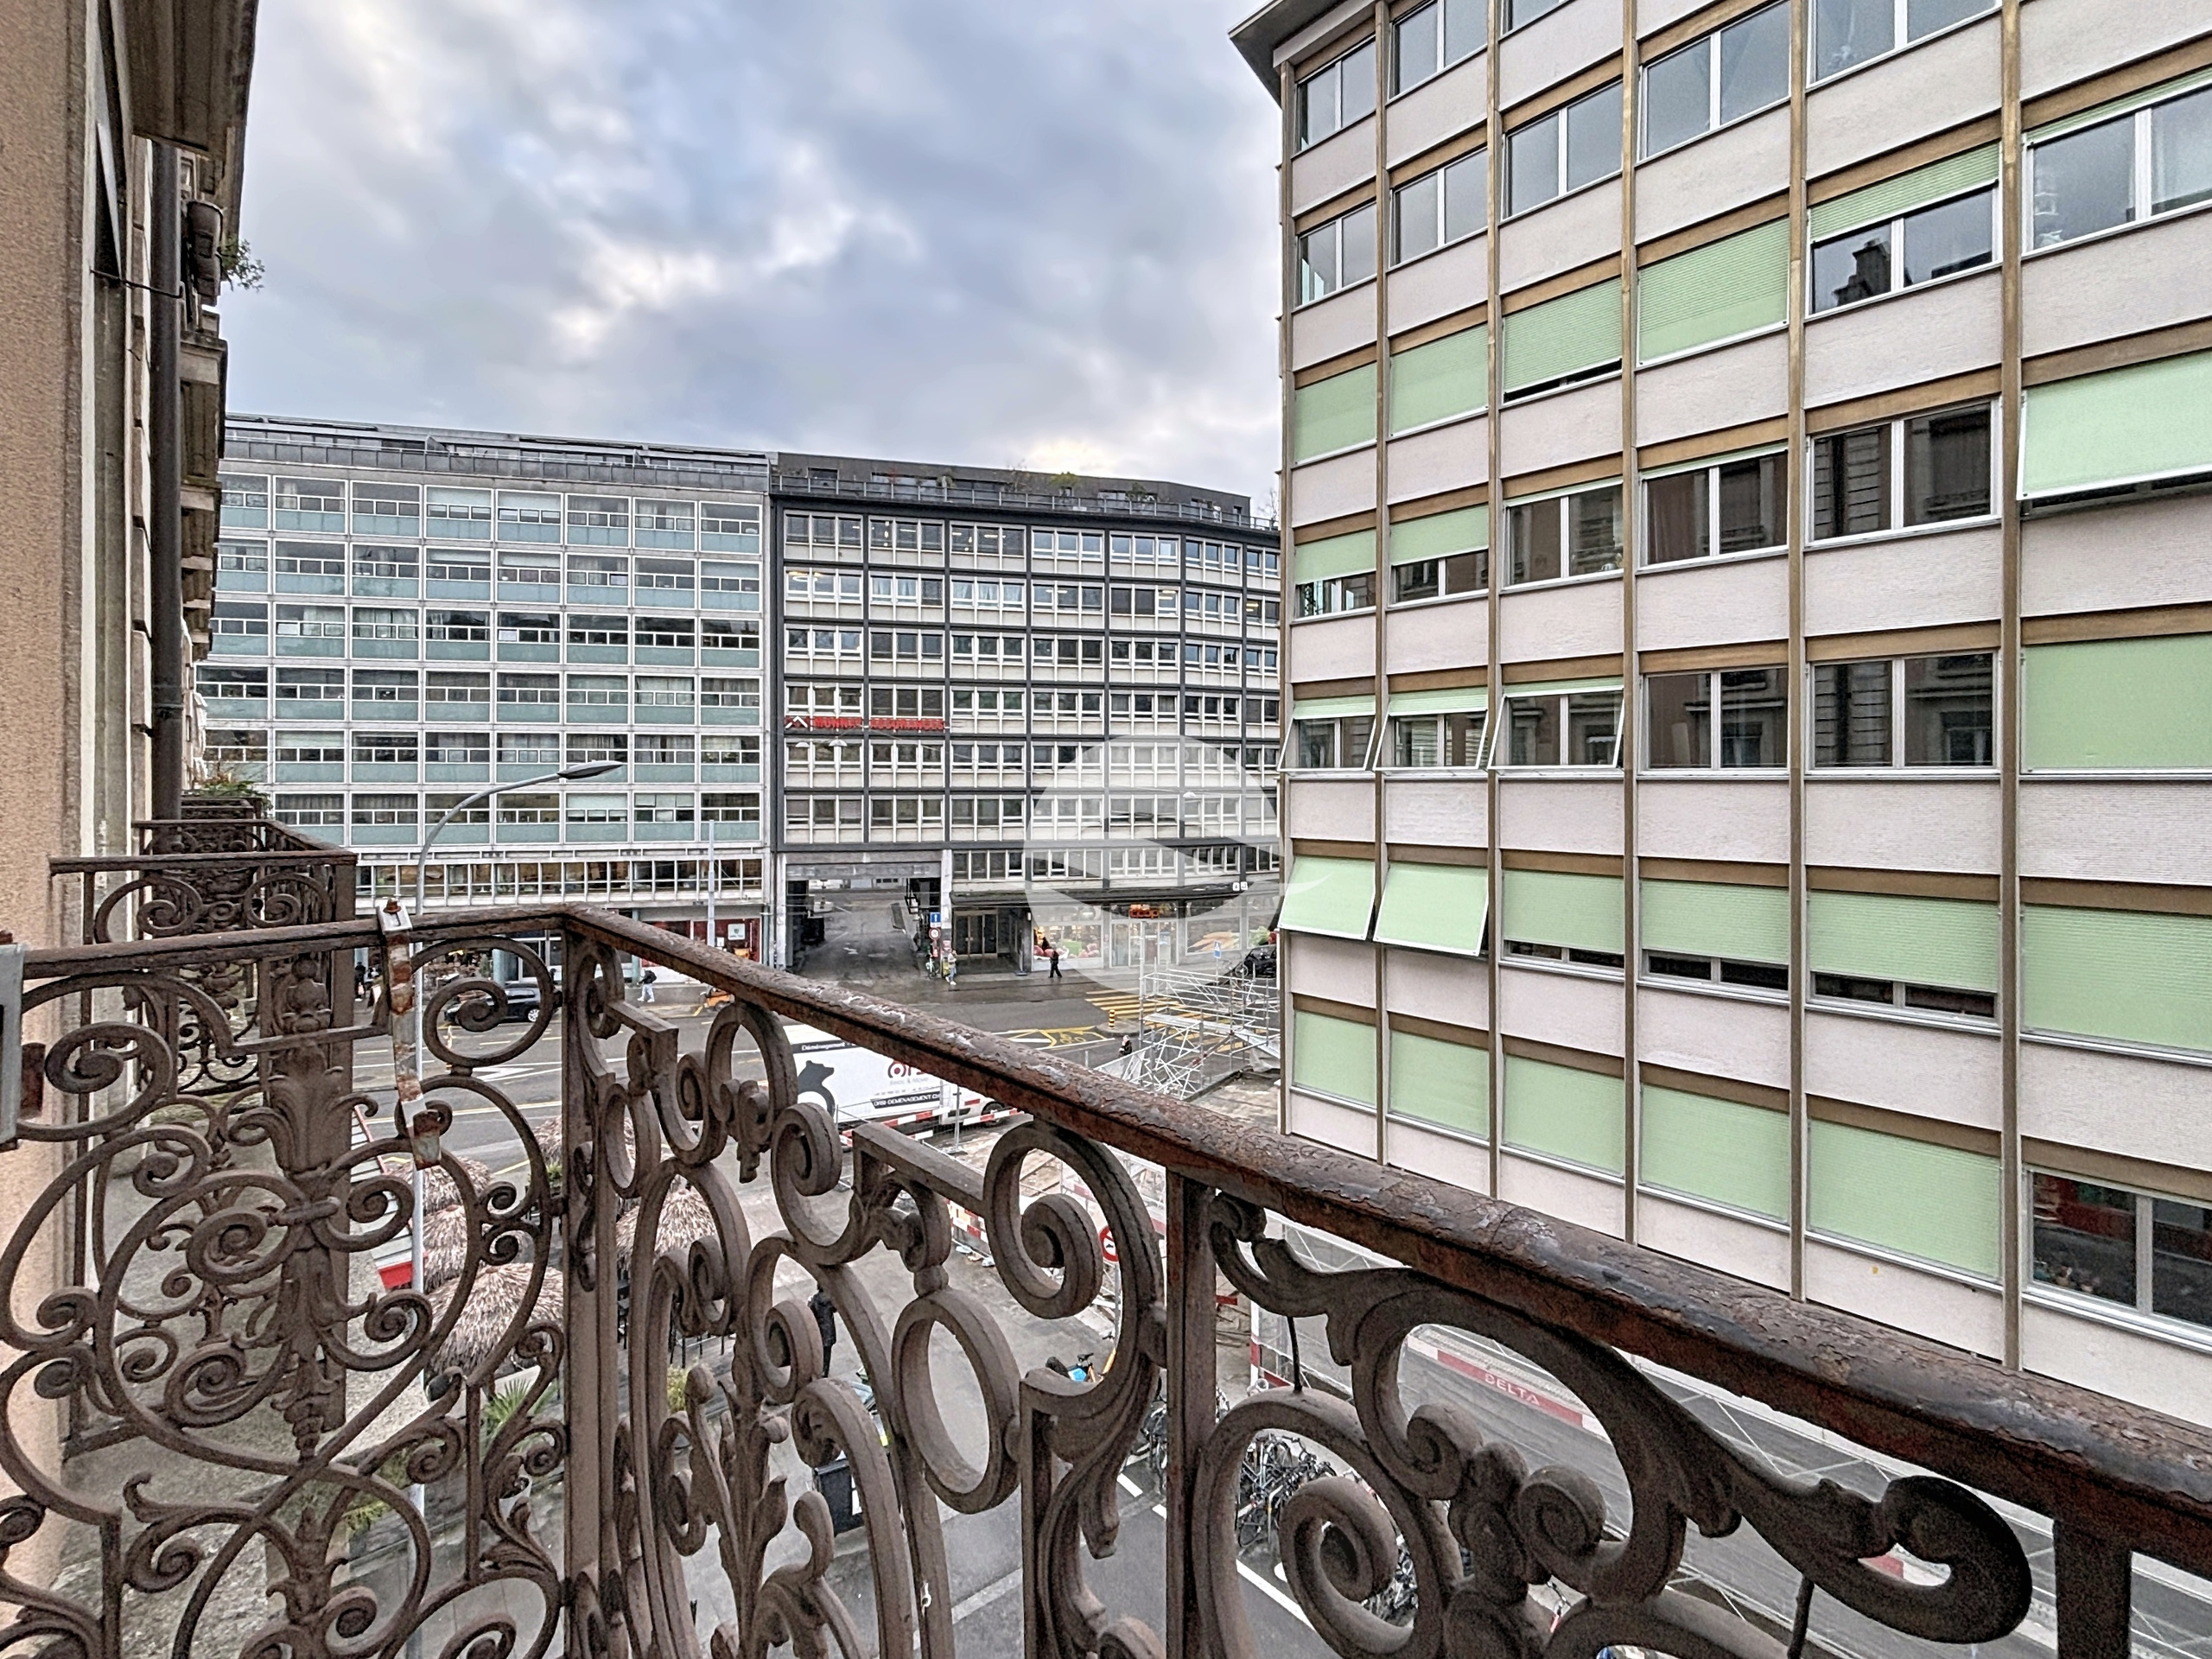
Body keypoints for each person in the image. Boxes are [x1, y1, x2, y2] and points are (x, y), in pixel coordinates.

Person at [810, 1288, 838, 1373]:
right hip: (829, 1331)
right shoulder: (830, 1299)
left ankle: (818, 1368)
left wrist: (809, 1301)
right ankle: (825, 1371)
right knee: (827, 1353)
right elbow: (835, 1309)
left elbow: (810, 1312)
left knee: (819, 1350)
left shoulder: (815, 1299)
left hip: (820, 1331)